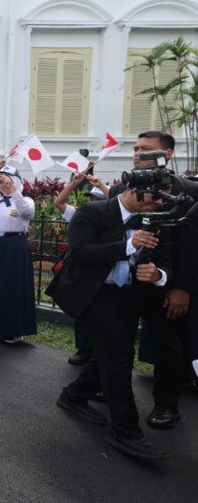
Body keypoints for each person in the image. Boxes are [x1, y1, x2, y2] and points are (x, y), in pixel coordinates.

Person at [54, 185, 172, 460]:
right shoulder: (91, 211)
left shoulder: (154, 218)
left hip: (128, 295)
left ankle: (74, 395)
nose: (158, 203)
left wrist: (159, 274)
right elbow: (80, 252)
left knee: (109, 353)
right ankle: (126, 431)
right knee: (119, 354)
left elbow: (166, 260)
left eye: (162, 198)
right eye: (154, 197)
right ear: (133, 190)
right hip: (92, 293)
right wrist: (129, 245)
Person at [111, 131, 198, 429]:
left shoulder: (188, 192)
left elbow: (192, 246)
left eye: (146, 149)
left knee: (166, 345)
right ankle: (110, 393)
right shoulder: (121, 188)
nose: (137, 154)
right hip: (125, 284)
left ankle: (166, 406)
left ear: (167, 154)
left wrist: (182, 288)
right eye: (136, 149)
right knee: (116, 342)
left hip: (166, 285)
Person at [53, 171, 109, 366]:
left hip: (103, 271)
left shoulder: (114, 217)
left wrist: (101, 185)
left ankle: (98, 351)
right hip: (81, 270)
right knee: (82, 309)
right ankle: (83, 348)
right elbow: (58, 203)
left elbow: (118, 202)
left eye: (98, 198)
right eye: (92, 197)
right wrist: (74, 184)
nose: (94, 201)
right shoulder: (80, 214)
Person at [0, 162, 37, 343]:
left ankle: (12, 328)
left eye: (8, 182)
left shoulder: (25, 199)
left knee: (12, 286)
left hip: (14, 244)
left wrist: (13, 189)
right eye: (2, 183)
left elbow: (27, 212)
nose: (4, 186)